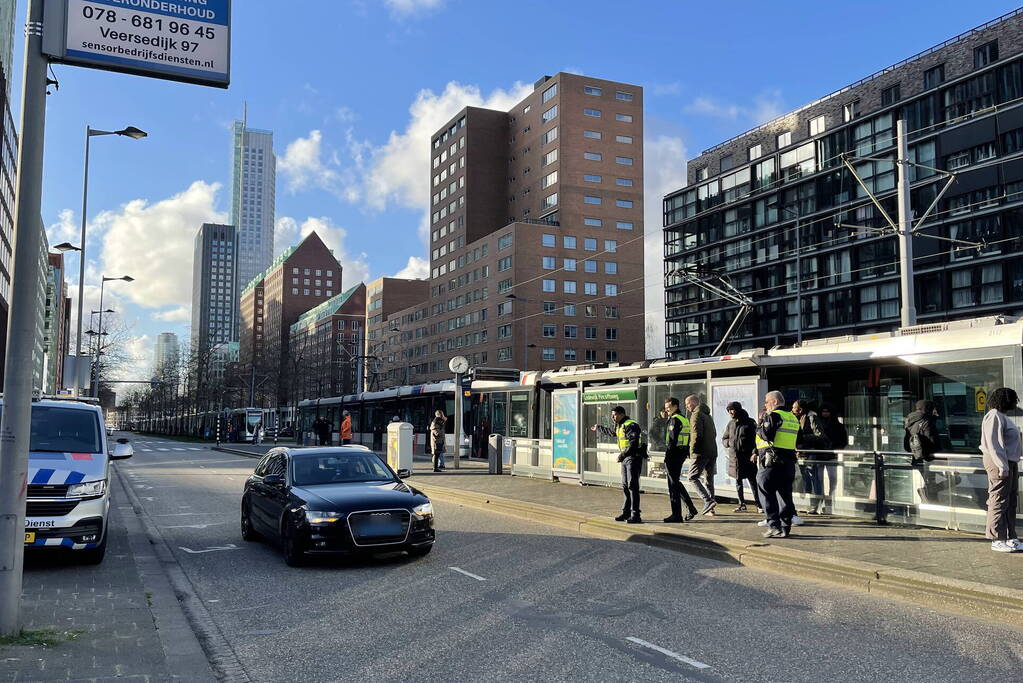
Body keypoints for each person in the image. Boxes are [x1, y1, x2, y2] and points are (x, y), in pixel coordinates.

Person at [980, 387, 1022, 553]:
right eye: (1013, 399)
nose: (1015, 402)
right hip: (1000, 462)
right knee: (998, 500)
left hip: (1009, 462)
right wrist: (1002, 466)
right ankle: (996, 539)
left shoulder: (1001, 416)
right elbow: (994, 444)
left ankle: (1011, 537)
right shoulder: (994, 415)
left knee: (1010, 500)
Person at [755, 390, 800, 538]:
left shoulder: (774, 415)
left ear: (775, 402)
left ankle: (774, 526)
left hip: (771, 462)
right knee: (785, 495)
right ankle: (786, 527)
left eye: (767, 401)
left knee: (765, 492)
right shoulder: (793, 418)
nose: (765, 405)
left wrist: (758, 427)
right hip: (788, 462)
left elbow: (767, 435)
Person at [592, 406, 647, 524]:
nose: (612, 417)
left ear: (622, 414)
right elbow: (612, 432)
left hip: (633, 458)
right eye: (612, 415)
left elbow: (633, 444)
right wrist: (599, 428)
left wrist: (622, 455)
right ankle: (626, 512)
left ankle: (635, 514)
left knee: (633, 486)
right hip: (625, 459)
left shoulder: (631, 425)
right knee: (625, 486)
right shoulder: (619, 425)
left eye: (615, 415)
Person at [662, 397, 697, 523]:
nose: (667, 410)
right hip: (681, 453)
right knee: (675, 482)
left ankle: (677, 515)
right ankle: (691, 507)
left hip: (674, 454)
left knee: (673, 485)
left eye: (668, 407)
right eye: (666, 408)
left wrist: (667, 457)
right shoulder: (684, 418)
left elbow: (672, 439)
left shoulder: (674, 420)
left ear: (675, 406)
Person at [793, 400, 829, 520]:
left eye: (794, 408)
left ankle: (816, 504)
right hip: (802, 453)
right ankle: (808, 503)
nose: (792, 410)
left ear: (801, 409)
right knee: (805, 479)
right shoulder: (796, 418)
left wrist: (803, 438)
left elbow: (820, 435)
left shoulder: (812, 417)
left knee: (813, 478)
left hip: (811, 452)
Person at [722, 401, 760, 513]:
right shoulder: (730, 424)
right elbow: (724, 438)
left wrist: (755, 453)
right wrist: (728, 443)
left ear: (738, 409)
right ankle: (741, 504)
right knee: (738, 482)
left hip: (748, 457)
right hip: (734, 458)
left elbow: (756, 440)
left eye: (732, 410)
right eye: (728, 410)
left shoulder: (750, 422)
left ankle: (759, 504)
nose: (730, 412)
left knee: (753, 481)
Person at [685, 395, 718, 516]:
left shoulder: (696, 415)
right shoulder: (708, 415)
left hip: (701, 452)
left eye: (687, 404)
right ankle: (711, 508)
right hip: (712, 452)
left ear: (693, 403)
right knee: (709, 479)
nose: (686, 407)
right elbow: (714, 433)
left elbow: (696, 435)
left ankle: (708, 501)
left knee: (692, 477)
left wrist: (692, 451)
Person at [814, 403, 848, 515]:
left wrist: (835, 448)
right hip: (821, 455)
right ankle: (820, 503)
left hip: (831, 455)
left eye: (827, 411)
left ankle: (830, 503)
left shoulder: (837, 425)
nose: (825, 414)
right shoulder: (818, 423)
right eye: (823, 411)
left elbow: (843, 440)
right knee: (819, 482)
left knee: (833, 480)